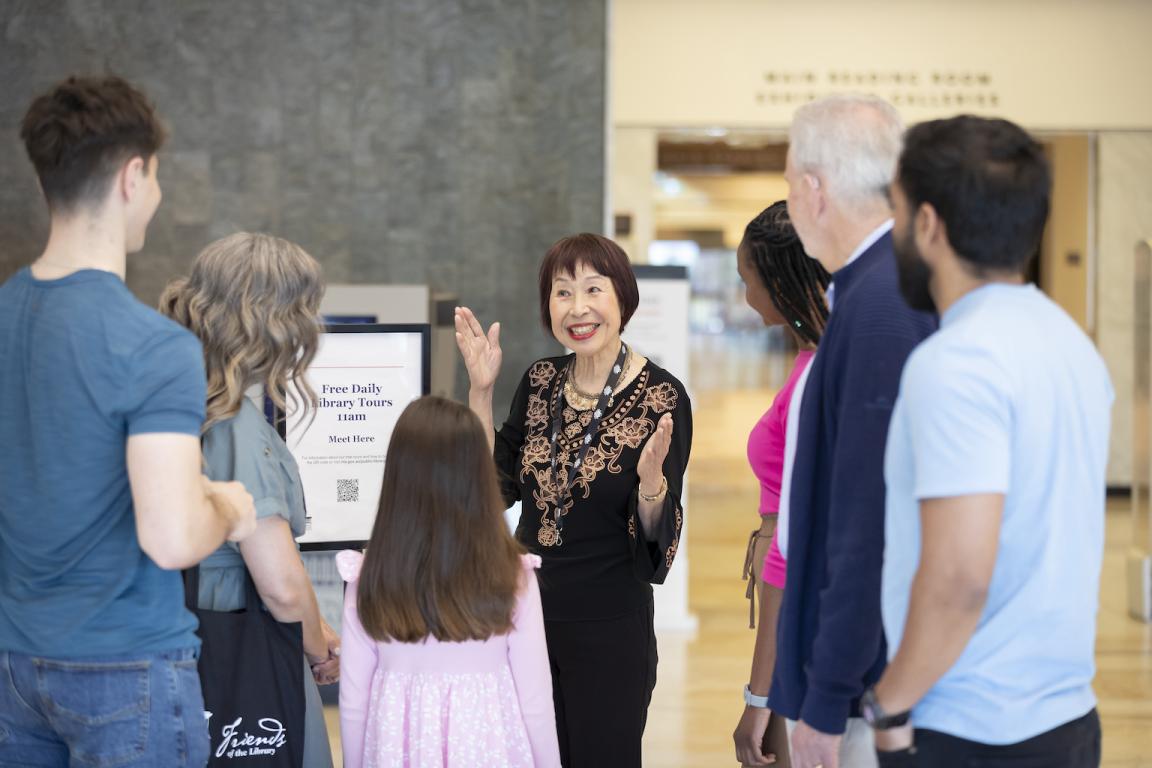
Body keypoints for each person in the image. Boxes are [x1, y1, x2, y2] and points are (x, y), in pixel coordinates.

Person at [0, 75, 256, 766]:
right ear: (133, 176)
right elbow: (172, 539)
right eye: (158, 177)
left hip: (13, 663)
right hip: (125, 667)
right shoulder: (153, 346)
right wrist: (229, 507)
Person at [864, 116, 1111, 767]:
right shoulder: (1070, 344)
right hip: (1066, 720)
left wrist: (888, 705)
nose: (892, 233)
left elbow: (959, 577)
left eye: (894, 211)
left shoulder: (956, 362)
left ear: (928, 225)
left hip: (965, 729)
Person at [455, 233, 693, 767]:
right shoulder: (539, 381)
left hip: (609, 627)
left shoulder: (663, 396)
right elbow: (488, 489)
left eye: (593, 289)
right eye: (562, 293)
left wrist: (653, 483)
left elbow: (654, 557)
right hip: (524, 618)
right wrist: (479, 393)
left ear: (623, 299)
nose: (578, 308)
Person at [768, 95, 937, 768]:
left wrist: (828, 697)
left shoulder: (880, 307)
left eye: (787, 184)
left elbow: (866, 525)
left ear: (814, 190)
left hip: (864, 692)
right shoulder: (878, 290)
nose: (789, 201)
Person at [160, 232, 339, 768]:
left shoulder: (173, 397)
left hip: (185, 639)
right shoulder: (237, 426)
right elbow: (280, 584)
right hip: (249, 645)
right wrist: (318, 641)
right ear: (274, 320)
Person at [337, 395, 561, 768]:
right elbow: (535, 701)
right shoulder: (511, 576)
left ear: (398, 476)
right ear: (477, 478)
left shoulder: (368, 577)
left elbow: (354, 703)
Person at [732, 201, 829, 767]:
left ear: (779, 279)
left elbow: (784, 554)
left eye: (749, 280)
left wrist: (759, 696)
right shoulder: (811, 356)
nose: (746, 296)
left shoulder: (814, 377)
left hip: (804, 625)